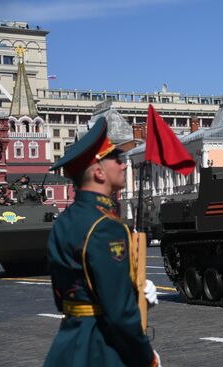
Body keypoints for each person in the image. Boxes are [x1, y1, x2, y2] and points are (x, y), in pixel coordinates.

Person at [44, 117, 161, 367]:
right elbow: (118, 314)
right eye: (116, 159)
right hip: (101, 348)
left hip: (68, 344)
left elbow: (65, 296)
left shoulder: (64, 222)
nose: (122, 165)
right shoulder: (106, 227)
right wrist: (146, 357)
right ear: (98, 172)